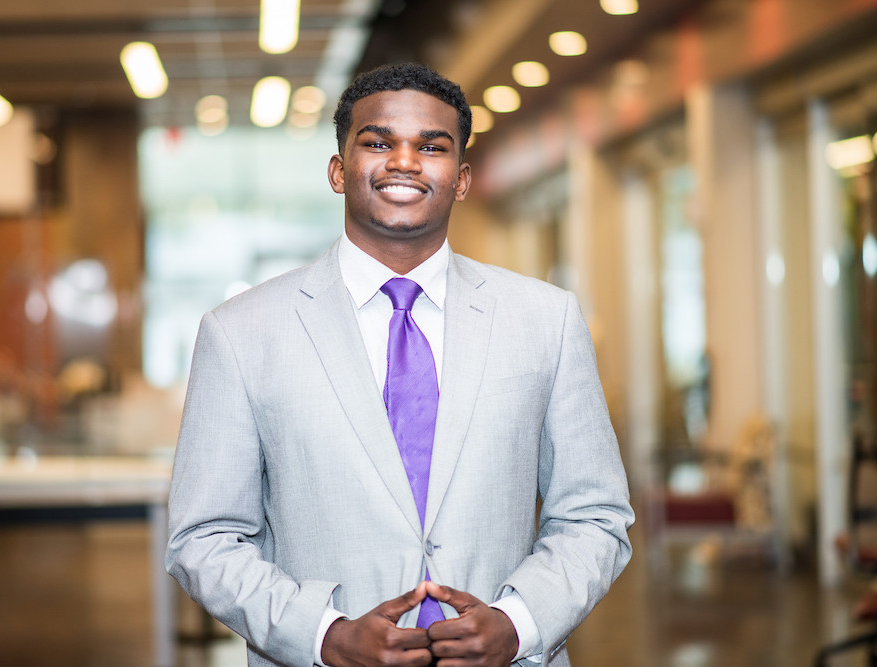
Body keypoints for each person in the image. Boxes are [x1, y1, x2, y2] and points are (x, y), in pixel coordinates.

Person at [165, 62, 634, 667]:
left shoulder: (546, 320)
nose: (405, 162)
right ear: (339, 171)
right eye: (379, 142)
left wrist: (519, 623)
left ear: (461, 179)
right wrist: (324, 636)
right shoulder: (240, 333)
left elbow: (594, 514)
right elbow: (203, 538)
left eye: (431, 147)